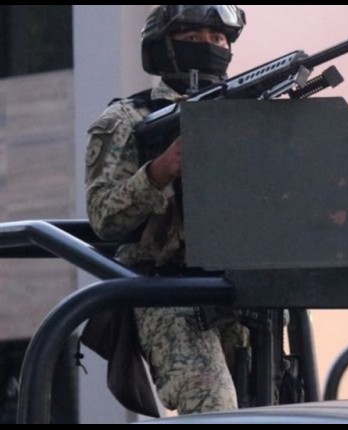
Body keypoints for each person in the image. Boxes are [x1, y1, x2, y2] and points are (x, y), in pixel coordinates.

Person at [83, 5, 248, 415]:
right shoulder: (126, 119)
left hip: (245, 289)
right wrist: (158, 172)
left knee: (280, 408)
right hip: (167, 289)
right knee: (213, 405)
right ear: (163, 49)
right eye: (192, 38)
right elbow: (103, 216)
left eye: (218, 38)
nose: (209, 46)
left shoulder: (245, 116)